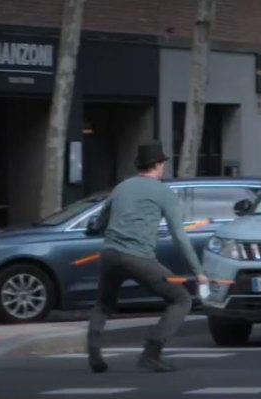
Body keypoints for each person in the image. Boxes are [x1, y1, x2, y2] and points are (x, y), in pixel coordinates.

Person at [86, 142, 208, 374]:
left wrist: (105, 232)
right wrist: (198, 271)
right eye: (163, 164)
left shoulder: (121, 187)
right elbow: (179, 236)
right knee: (181, 299)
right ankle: (151, 353)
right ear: (158, 165)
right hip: (139, 257)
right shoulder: (164, 192)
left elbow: (100, 221)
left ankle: (94, 350)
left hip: (110, 254)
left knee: (103, 304)